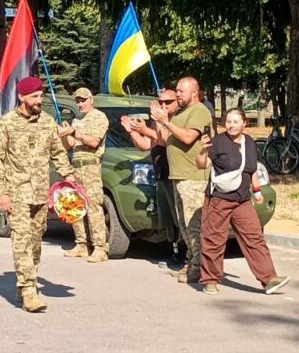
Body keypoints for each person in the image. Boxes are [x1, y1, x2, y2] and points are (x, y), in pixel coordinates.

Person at [0, 76, 76, 313]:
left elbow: (58, 153)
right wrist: (1, 192)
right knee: (22, 240)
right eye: (35, 96)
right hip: (16, 193)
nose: (39, 100)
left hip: (40, 192)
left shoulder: (47, 122)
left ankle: (28, 281)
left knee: (36, 241)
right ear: (22, 97)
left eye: (41, 95)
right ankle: (28, 290)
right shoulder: (7, 123)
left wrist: (69, 175)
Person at [194, 109, 289, 296]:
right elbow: (201, 164)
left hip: (243, 200)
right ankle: (210, 280)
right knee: (214, 239)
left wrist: (257, 191)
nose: (231, 125)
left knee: (254, 237)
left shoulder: (249, 142)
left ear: (244, 123)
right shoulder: (218, 142)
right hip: (219, 199)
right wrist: (203, 150)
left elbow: (251, 169)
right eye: (228, 121)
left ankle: (269, 279)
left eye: (236, 121)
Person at [151, 76, 210, 284]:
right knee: (183, 224)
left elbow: (188, 137)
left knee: (194, 225)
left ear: (194, 92)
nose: (177, 94)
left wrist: (166, 121)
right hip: (177, 176)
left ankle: (199, 267)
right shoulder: (179, 113)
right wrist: (160, 120)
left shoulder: (199, 111)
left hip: (193, 177)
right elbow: (164, 140)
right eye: (176, 90)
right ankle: (191, 261)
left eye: (180, 91)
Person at [121, 88, 182, 268]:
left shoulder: (177, 120)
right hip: (160, 174)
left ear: (177, 103)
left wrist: (145, 128)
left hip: (175, 174)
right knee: (167, 217)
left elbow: (164, 140)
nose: (163, 105)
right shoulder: (157, 121)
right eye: (160, 102)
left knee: (179, 216)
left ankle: (186, 253)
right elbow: (146, 144)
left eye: (168, 102)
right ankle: (175, 251)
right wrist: (133, 131)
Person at [60, 87, 109, 262]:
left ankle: (100, 247)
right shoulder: (76, 120)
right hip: (76, 167)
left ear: (91, 100)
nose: (80, 104)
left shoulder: (99, 117)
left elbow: (94, 142)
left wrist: (75, 133)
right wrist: (65, 134)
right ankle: (81, 244)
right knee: (75, 205)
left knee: (94, 207)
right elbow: (69, 145)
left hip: (91, 167)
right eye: (78, 101)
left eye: (83, 100)